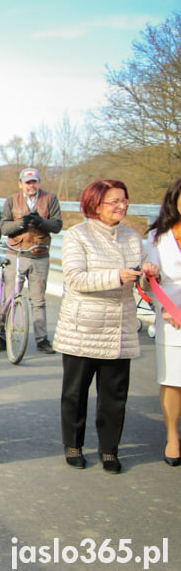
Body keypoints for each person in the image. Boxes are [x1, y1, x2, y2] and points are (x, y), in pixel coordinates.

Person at [54, 179, 158, 474]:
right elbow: (74, 278)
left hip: (120, 329)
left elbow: (141, 282)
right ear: (95, 204)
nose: (121, 206)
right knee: (75, 393)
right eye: (114, 202)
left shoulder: (132, 237)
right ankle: (73, 445)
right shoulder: (78, 235)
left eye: (124, 200)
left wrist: (149, 274)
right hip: (83, 328)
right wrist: (116, 276)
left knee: (115, 395)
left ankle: (109, 450)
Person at [0, 168, 62, 355]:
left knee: (38, 300)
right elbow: (4, 227)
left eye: (34, 182)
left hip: (39, 255)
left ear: (39, 183)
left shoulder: (50, 199)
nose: (31, 186)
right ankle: (2, 336)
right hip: (16, 254)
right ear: (20, 184)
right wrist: (21, 224)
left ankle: (42, 339)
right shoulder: (11, 200)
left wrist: (40, 222)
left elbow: (56, 225)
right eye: (28, 182)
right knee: (9, 297)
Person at [145, 177, 181, 467]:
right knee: (173, 380)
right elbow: (150, 280)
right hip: (172, 315)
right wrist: (165, 308)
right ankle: (172, 436)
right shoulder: (158, 236)